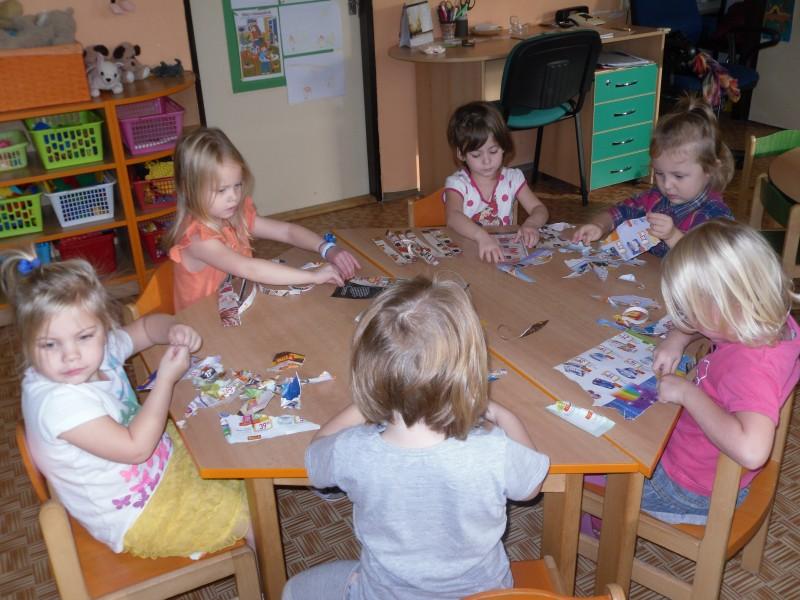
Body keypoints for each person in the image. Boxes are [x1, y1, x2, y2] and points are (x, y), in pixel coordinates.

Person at [282, 276, 550, 599]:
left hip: (386, 594)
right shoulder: (493, 450)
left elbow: (316, 456)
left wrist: (364, 404)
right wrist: (504, 415)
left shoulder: (352, 450)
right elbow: (530, 488)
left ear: (368, 373)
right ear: (466, 374)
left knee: (294, 589)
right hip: (483, 595)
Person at [3, 250, 250, 557]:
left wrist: (172, 329)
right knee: (249, 513)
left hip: (156, 461)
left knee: (235, 449)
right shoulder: (58, 402)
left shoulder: (100, 350)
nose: (71, 355)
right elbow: (136, 449)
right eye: (50, 344)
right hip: (134, 513)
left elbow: (145, 329)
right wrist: (165, 379)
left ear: (103, 325)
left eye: (84, 337)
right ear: (27, 345)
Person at [647, 219, 800, 523]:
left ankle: (600, 528)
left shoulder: (750, 367)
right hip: (702, 461)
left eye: (690, 312)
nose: (685, 319)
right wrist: (678, 338)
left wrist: (687, 393)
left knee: (591, 467)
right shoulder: (770, 321)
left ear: (728, 306)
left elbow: (752, 451)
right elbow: (718, 322)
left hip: (686, 486)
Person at [166, 127, 361, 311]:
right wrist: (313, 276)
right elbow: (249, 269)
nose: (233, 197)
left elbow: (287, 232)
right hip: (203, 325)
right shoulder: (197, 239)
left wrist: (326, 248)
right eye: (221, 190)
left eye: (237, 185)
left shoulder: (234, 214)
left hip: (237, 306)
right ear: (189, 190)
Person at [571, 96, 734, 257]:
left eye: (678, 176)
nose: (667, 185)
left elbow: (712, 264)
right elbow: (620, 211)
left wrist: (673, 237)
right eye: (659, 173)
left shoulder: (716, 216)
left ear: (710, 170)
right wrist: (599, 226)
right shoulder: (655, 198)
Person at [444, 101, 549, 263]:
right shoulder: (457, 184)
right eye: (476, 155)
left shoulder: (513, 178)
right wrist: (481, 236)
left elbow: (539, 209)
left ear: (503, 147)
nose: (486, 161)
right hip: (467, 256)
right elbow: (453, 216)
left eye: (493, 151)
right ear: (461, 154)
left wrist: (531, 224)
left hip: (500, 255)